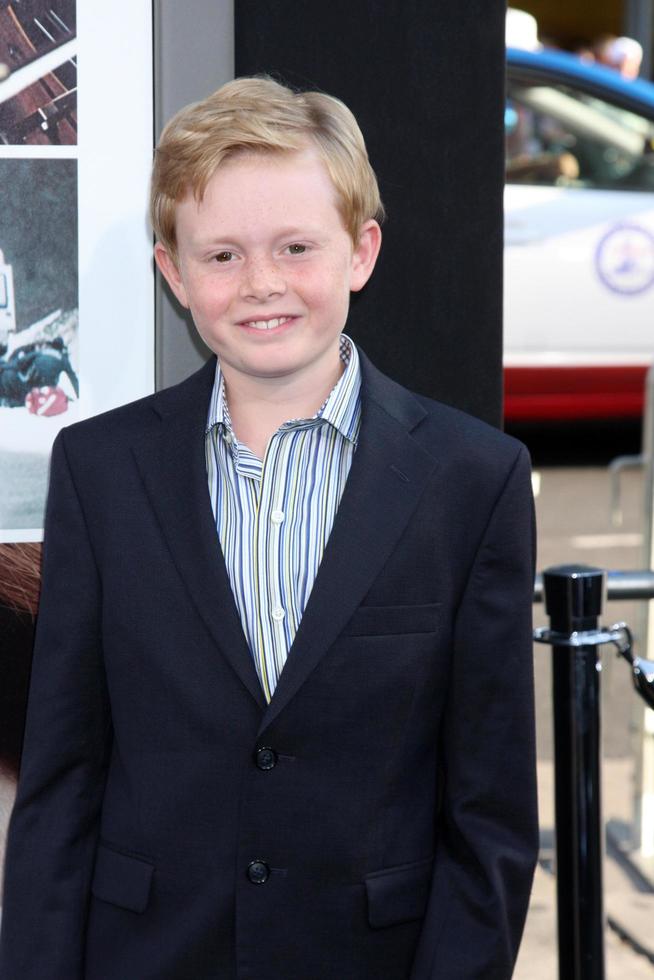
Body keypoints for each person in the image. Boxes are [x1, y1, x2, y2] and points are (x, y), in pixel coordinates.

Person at [0, 77, 538, 979]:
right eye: (222, 256)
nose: (262, 285)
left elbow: (489, 817)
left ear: (360, 252)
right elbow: (61, 784)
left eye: (296, 247)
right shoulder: (99, 471)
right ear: (172, 270)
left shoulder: (471, 480)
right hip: (147, 956)